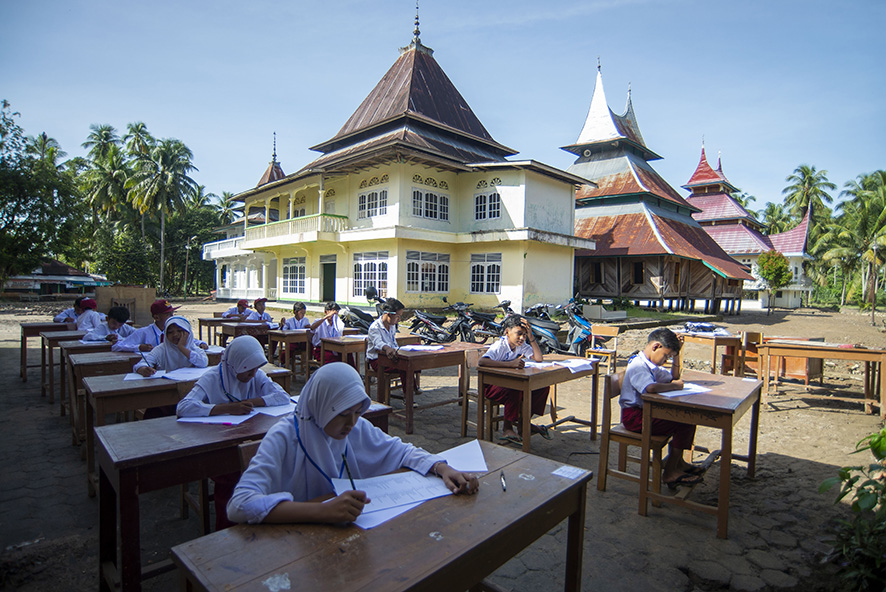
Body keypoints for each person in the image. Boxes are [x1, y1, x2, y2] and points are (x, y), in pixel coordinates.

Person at [226, 363, 478, 525]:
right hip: (295, 545)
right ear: (322, 406)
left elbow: (400, 450)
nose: (351, 423)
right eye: (343, 414)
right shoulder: (283, 437)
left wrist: (442, 468)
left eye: (358, 412)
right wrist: (322, 512)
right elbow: (239, 505)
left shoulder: (356, 427)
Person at [177, 335, 291, 529]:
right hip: (221, 444)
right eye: (248, 370)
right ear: (235, 365)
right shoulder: (213, 377)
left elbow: (283, 396)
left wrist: (251, 403)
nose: (253, 375)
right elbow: (184, 407)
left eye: (255, 369)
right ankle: (228, 530)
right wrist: (227, 408)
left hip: (251, 439)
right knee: (231, 479)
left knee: (276, 468)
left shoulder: (256, 373)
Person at [620, 327, 701, 488]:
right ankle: (670, 472)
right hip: (634, 418)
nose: (666, 360)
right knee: (684, 421)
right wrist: (675, 387)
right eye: (666, 356)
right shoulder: (638, 365)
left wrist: (677, 354)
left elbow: (673, 378)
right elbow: (650, 388)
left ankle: (678, 463)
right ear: (655, 347)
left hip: (647, 412)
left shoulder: (652, 365)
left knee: (687, 419)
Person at [479, 315, 550, 444]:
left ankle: (524, 423)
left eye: (524, 334)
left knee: (542, 386)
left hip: (509, 384)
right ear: (507, 332)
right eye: (519, 334)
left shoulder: (521, 345)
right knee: (515, 388)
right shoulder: (500, 346)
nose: (522, 338)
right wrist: (510, 364)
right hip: (491, 387)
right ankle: (507, 428)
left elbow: (538, 358)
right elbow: (482, 361)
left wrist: (531, 337)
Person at [115, 299, 208, 353]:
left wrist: (200, 343)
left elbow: (188, 338)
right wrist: (138, 347)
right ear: (157, 317)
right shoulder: (143, 332)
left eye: (172, 314)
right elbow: (116, 347)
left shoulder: (177, 331)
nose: (172, 318)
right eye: (168, 315)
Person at [366, 298, 417, 389]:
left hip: (390, 357)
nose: (399, 319)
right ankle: (408, 396)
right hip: (377, 360)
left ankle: (412, 388)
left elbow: (393, 343)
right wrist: (387, 348)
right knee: (404, 366)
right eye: (398, 316)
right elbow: (378, 343)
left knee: (412, 362)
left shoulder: (392, 326)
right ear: (389, 314)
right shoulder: (375, 327)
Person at [133, 316, 208, 376]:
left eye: (179, 331)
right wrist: (143, 369)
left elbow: (203, 362)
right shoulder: (161, 349)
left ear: (188, 332)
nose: (175, 334)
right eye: (170, 332)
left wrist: (182, 348)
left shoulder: (194, 348)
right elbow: (141, 364)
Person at [279, 302, 310, 367]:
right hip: (293, 342)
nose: (303, 315)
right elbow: (284, 330)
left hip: (302, 342)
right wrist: (282, 325)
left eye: (304, 313)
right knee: (288, 349)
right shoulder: (289, 321)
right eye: (301, 313)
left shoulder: (306, 320)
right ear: (295, 312)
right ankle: (283, 363)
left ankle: (308, 363)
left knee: (310, 345)